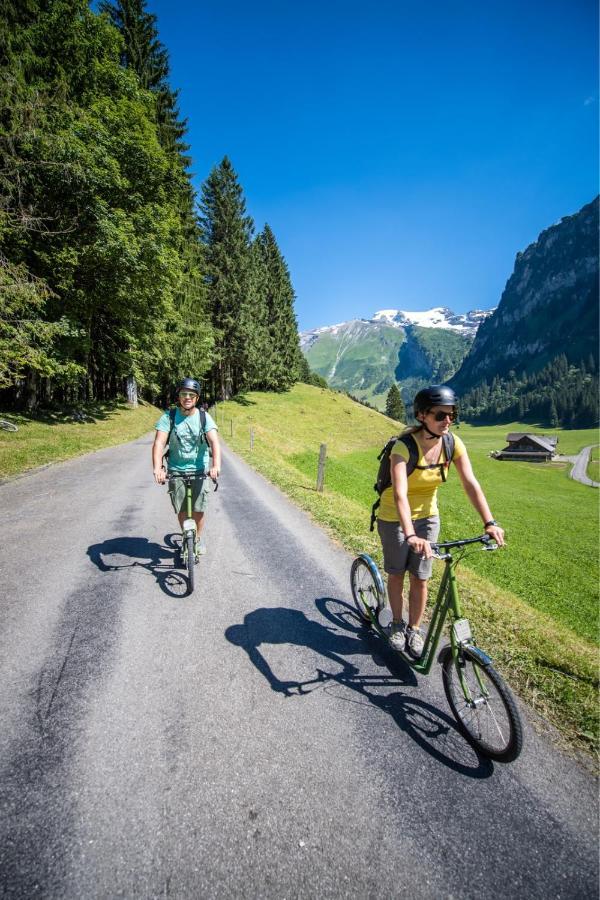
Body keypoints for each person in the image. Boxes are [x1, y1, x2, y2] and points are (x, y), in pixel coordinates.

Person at [376, 385, 504, 658]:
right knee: (397, 573)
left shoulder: (452, 444)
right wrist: (410, 535)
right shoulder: (403, 447)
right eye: (440, 415)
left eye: (452, 415)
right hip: (395, 518)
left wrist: (489, 522)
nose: (447, 421)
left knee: (421, 577)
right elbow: (399, 494)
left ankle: (414, 628)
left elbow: (470, 483)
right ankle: (397, 624)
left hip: (428, 517)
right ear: (422, 416)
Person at [152, 378, 221, 556]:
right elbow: (159, 443)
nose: (187, 397)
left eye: (191, 394)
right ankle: (185, 535)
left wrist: (215, 466)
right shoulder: (169, 417)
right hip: (176, 470)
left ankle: (196, 539)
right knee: (182, 508)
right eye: (184, 394)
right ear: (179, 397)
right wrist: (158, 468)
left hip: (200, 470)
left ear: (196, 398)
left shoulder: (204, 417)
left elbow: (214, 442)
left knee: (198, 508)